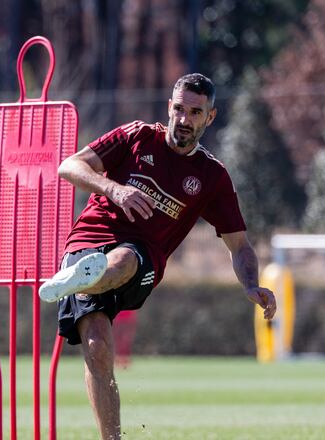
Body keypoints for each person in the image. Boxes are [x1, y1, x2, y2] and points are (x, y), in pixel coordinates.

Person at [38, 73, 277, 440]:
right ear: (169, 107)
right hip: (88, 239)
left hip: (141, 253)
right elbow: (69, 166)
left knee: (124, 260)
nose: (184, 119)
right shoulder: (137, 136)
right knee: (97, 347)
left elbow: (240, 245)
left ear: (210, 117)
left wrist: (250, 284)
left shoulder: (212, 177)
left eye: (195, 112)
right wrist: (115, 190)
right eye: (179, 109)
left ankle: (79, 280)